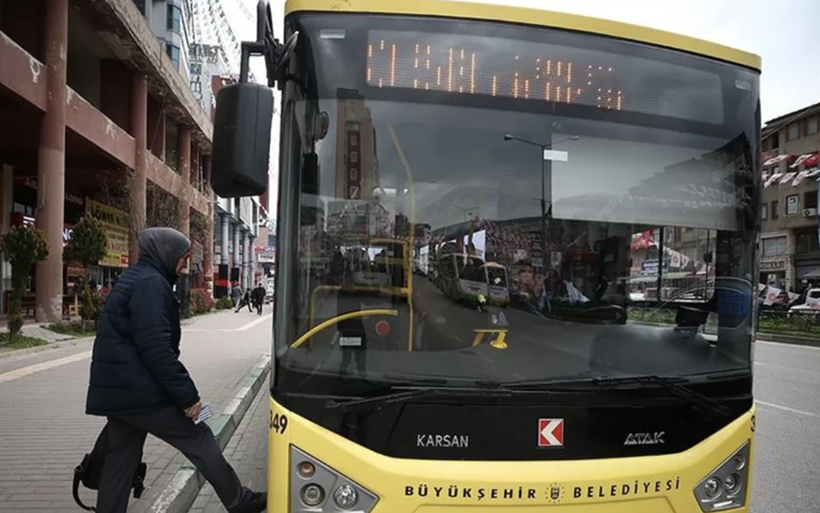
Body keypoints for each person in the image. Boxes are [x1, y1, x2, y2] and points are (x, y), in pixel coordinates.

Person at [85, 227, 267, 513]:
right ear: (166, 254)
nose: (184, 267)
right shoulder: (150, 284)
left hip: (119, 394)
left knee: (120, 462)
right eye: (182, 259)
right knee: (200, 436)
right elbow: (157, 349)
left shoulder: (135, 278)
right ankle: (239, 501)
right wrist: (188, 398)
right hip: (140, 392)